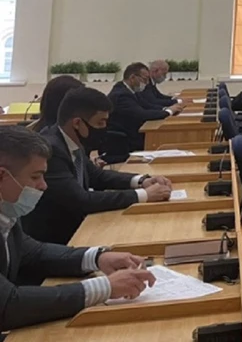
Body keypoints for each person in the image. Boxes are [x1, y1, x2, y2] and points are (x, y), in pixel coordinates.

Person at [0, 127, 157, 331]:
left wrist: (98, 257)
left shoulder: (6, 209)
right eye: (35, 177)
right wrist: (104, 287)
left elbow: (33, 252)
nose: (43, 186)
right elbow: (8, 306)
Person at [22, 88, 174, 246]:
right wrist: (144, 195)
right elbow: (81, 200)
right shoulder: (52, 149)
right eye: (100, 122)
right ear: (77, 123)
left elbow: (97, 176)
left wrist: (142, 180)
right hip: (58, 239)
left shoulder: (69, 139)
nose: (105, 128)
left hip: (77, 226)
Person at [106, 63, 183, 153]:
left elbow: (147, 105)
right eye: (145, 79)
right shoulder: (122, 95)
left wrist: (168, 109)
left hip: (134, 132)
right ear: (132, 77)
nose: (147, 83)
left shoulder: (131, 90)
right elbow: (142, 114)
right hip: (126, 139)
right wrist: (169, 111)